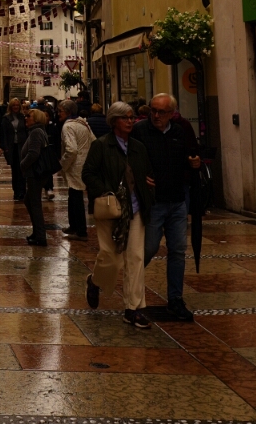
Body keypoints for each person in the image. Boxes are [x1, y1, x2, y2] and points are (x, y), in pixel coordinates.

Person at [82, 101, 155, 329]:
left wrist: (148, 184)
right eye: (125, 118)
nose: (130, 121)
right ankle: (95, 281)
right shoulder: (101, 145)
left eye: (132, 117)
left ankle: (134, 309)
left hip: (135, 209)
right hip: (110, 210)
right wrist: (106, 192)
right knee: (111, 258)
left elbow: (146, 172)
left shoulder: (138, 147)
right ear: (114, 121)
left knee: (135, 259)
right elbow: (88, 174)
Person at [134, 93, 202, 323]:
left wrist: (193, 163)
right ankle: (131, 291)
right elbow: (127, 159)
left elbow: (188, 157)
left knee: (178, 251)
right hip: (154, 203)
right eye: (153, 110)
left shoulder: (179, 131)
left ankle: (175, 299)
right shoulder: (140, 131)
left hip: (177, 201)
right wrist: (138, 176)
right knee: (149, 248)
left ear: (171, 113)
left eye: (161, 112)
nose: (156, 115)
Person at [58, 99, 94, 238]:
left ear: (68, 112)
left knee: (76, 197)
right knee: (73, 196)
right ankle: (73, 226)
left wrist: (63, 164)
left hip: (75, 165)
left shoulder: (68, 126)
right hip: (85, 163)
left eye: (60, 111)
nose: (58, 114)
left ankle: (80, 231)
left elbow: (71, 149)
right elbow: (94, 141)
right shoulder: (83, 123)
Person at [20, 108, 51, 246]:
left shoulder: (36, 132)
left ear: (36, 119)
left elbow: (33, 153)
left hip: (35, 173)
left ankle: (41, 236)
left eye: (29, 116)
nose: (26, 118)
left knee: (35, 204)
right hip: (36, 173)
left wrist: (22, 165)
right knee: (29, 201)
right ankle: (37, 232)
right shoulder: (38, 130)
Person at [0, 97, 26, 200]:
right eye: (14, 105)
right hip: (12, 147)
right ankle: (16, 191)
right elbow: (3, 133)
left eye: (17, 105)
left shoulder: (23, 117)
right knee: (15, 170)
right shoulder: (6, 118)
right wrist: (4, 147)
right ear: (11, 106)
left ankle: (23, 191)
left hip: (22, 146)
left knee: (22, 169)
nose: (16, 107)